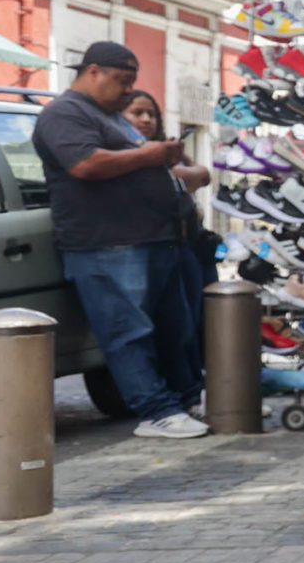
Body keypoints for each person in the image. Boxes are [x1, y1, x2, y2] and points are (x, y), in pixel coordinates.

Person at [31, 42, 207, 439]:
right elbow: (86, 164)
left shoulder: (110, 116)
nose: (128, 90)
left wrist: (165, 159)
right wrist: (149, 156)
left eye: (132, 82)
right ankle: (155, 411)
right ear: (92, 71)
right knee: (128, 332)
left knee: (173, 328)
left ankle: (186, 399)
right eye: (122, 81)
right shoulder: (64, 113)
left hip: (152, 238)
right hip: (106, 244)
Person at [121, 88, 214, 406]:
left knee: (193, 324)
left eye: (151, 113)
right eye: (137, 112)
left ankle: (195, 388)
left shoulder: (163, 152)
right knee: (168, 329)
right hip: (147, 248)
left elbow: (201, 175)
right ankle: (177, 392)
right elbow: (187, 177)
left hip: (186, 248)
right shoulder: (121, 155)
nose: (146, 119)